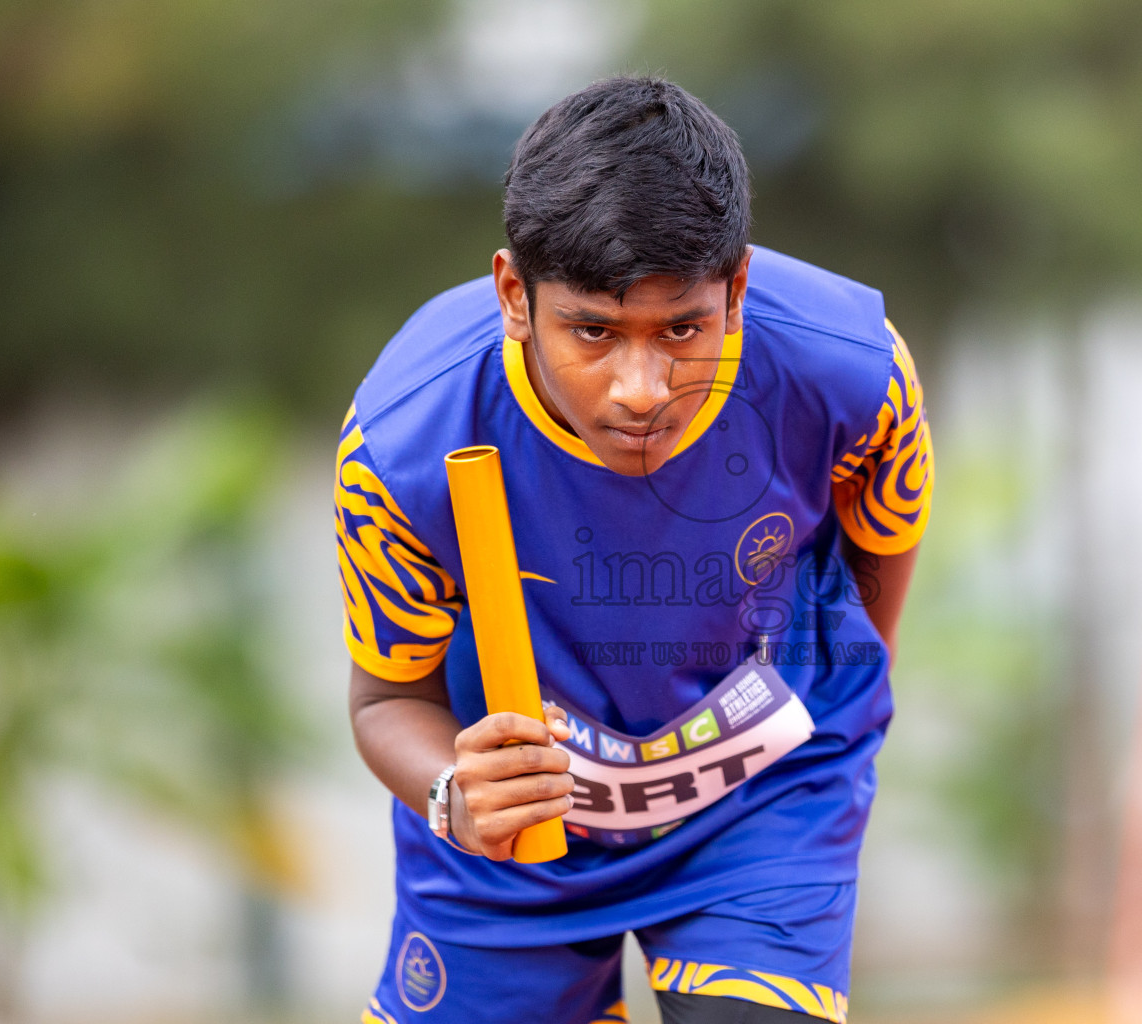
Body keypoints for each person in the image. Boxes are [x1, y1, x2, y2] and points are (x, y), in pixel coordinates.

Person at [335, 75, 933, 1024]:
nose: (642, 386)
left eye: (682, 329)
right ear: (513, 295)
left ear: (736, 287)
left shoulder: (845, 368)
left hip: (755, 808)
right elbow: (385, 700)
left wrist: (839, 703)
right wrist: (457, 795)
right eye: (594, 332)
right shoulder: (402, 440)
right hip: (516, 847)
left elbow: (879, 551)